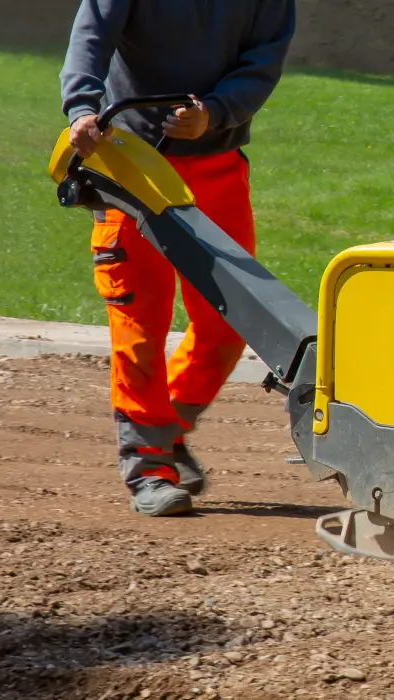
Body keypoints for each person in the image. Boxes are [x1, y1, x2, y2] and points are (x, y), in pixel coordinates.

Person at [58, 0, 296, 517]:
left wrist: (215, 112)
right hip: (131, 165)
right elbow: (91, 38)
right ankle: (148, 465)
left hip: (218, 168)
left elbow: (263, 60)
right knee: (139, 322)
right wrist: (81, 108)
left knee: (232, 324)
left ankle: (166, 432)